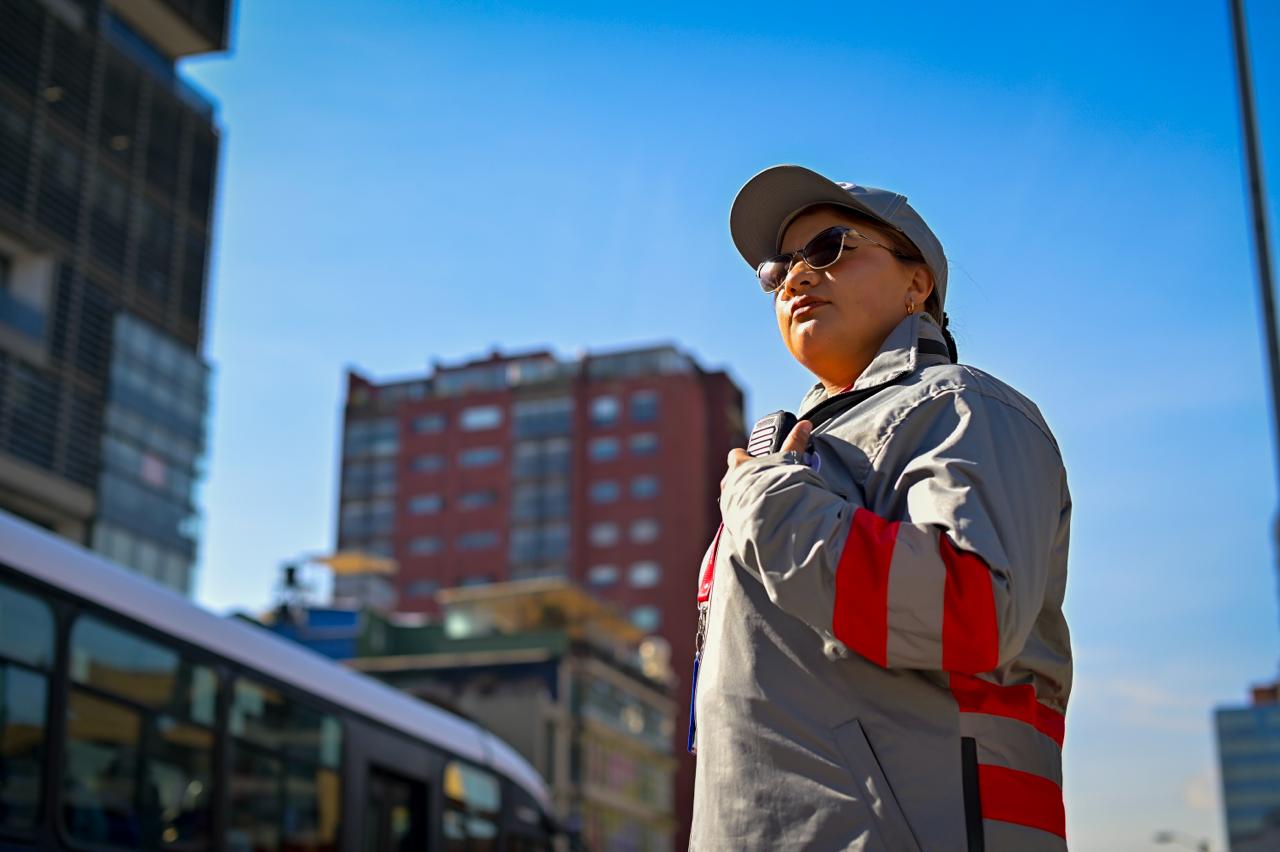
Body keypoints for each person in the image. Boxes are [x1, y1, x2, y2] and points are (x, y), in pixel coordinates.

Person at [688, 165, 1072, 852]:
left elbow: (970, 607)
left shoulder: (960, 405)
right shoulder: (789, 461)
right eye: (777, 273)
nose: (796, 278)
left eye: (830, 248)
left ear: (915, 283)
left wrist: (766, 502)